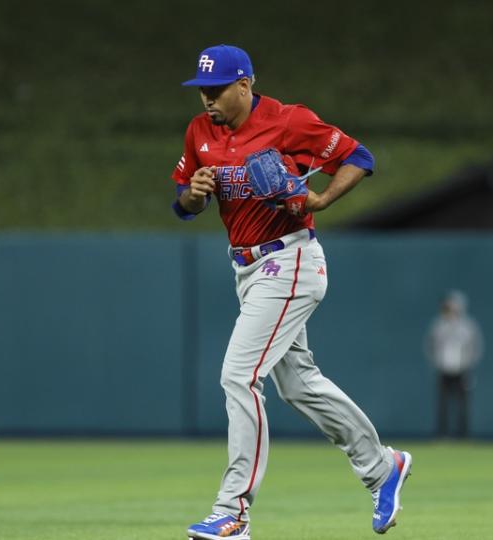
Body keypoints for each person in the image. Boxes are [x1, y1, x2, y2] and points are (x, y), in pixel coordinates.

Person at [171, 44, 412, 539]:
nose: (208, 100)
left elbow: (358, 157)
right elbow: (182, 204)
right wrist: (193, 195)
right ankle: (382, 467)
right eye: (202, 91)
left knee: (239, 376)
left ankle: (233, 511)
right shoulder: (200, 131)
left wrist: (320, 197)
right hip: (247, 270)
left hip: (290, 259)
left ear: (246, 84)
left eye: (216, 90)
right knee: (298, 383)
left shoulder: (288, 122)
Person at [425, 290, 483, 439]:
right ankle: (442, 433)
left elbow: (475, 346)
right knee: (443, 403)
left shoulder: (467, 326)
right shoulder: (439, 326)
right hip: (444, 369)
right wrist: (437, 362)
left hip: (462, 370)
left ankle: (463, 434)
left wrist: (467, 363)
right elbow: (431, 345)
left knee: (463, 404)